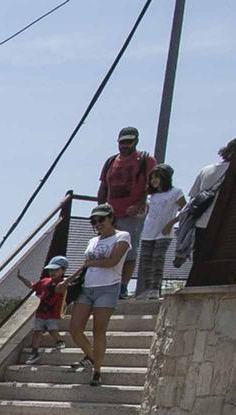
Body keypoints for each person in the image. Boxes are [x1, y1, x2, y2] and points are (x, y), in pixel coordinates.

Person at [68, 203, 132, 387]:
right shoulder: (92, 241)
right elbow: (85, 264)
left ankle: (97, 370)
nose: (97, 223)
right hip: (87, 287)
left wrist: (92, 262)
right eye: (94, 221)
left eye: (101, 219)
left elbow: (112, 261)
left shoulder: (122, 236)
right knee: (75, 329)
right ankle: (91, 355)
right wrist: (68, 281)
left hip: (108, 287)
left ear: (111, 218)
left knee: (98, 330)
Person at [96, 126, 155, 291]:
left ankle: (122, 286)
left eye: (129, 142)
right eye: (122, 142)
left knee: (128, 250)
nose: (125, 145)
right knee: (107, 248)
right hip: (111, 214)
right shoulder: (111, 161)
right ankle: (107, 283)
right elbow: (103, 187)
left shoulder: (145, 160)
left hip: (132, 214)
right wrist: (99, 211)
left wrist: (139, 204)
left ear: (136, 141)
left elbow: (150, 186)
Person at [136, 165, 185, 300]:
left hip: (164, 232)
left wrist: (171, 223)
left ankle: (155, 289)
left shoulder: (176, 192)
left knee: (158, 259)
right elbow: (148, 213)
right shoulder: (152, 195)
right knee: (146, 261)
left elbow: (185, 210)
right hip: (148, 231)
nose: (153, 180)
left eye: (156, 177)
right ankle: (147, 289)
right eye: (152, 177)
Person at [16, 257, 69, 363]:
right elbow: (32, 285)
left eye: (56, 270)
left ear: (63, 270)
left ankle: (59, 341)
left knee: (52, 329)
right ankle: (34, 352)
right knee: (37, 331)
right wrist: (21, 278)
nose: (52, 272)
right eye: (51, 270)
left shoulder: (62, 284)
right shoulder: (45, 281)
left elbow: (64, 286)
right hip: (41, 313)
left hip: (53, 313)